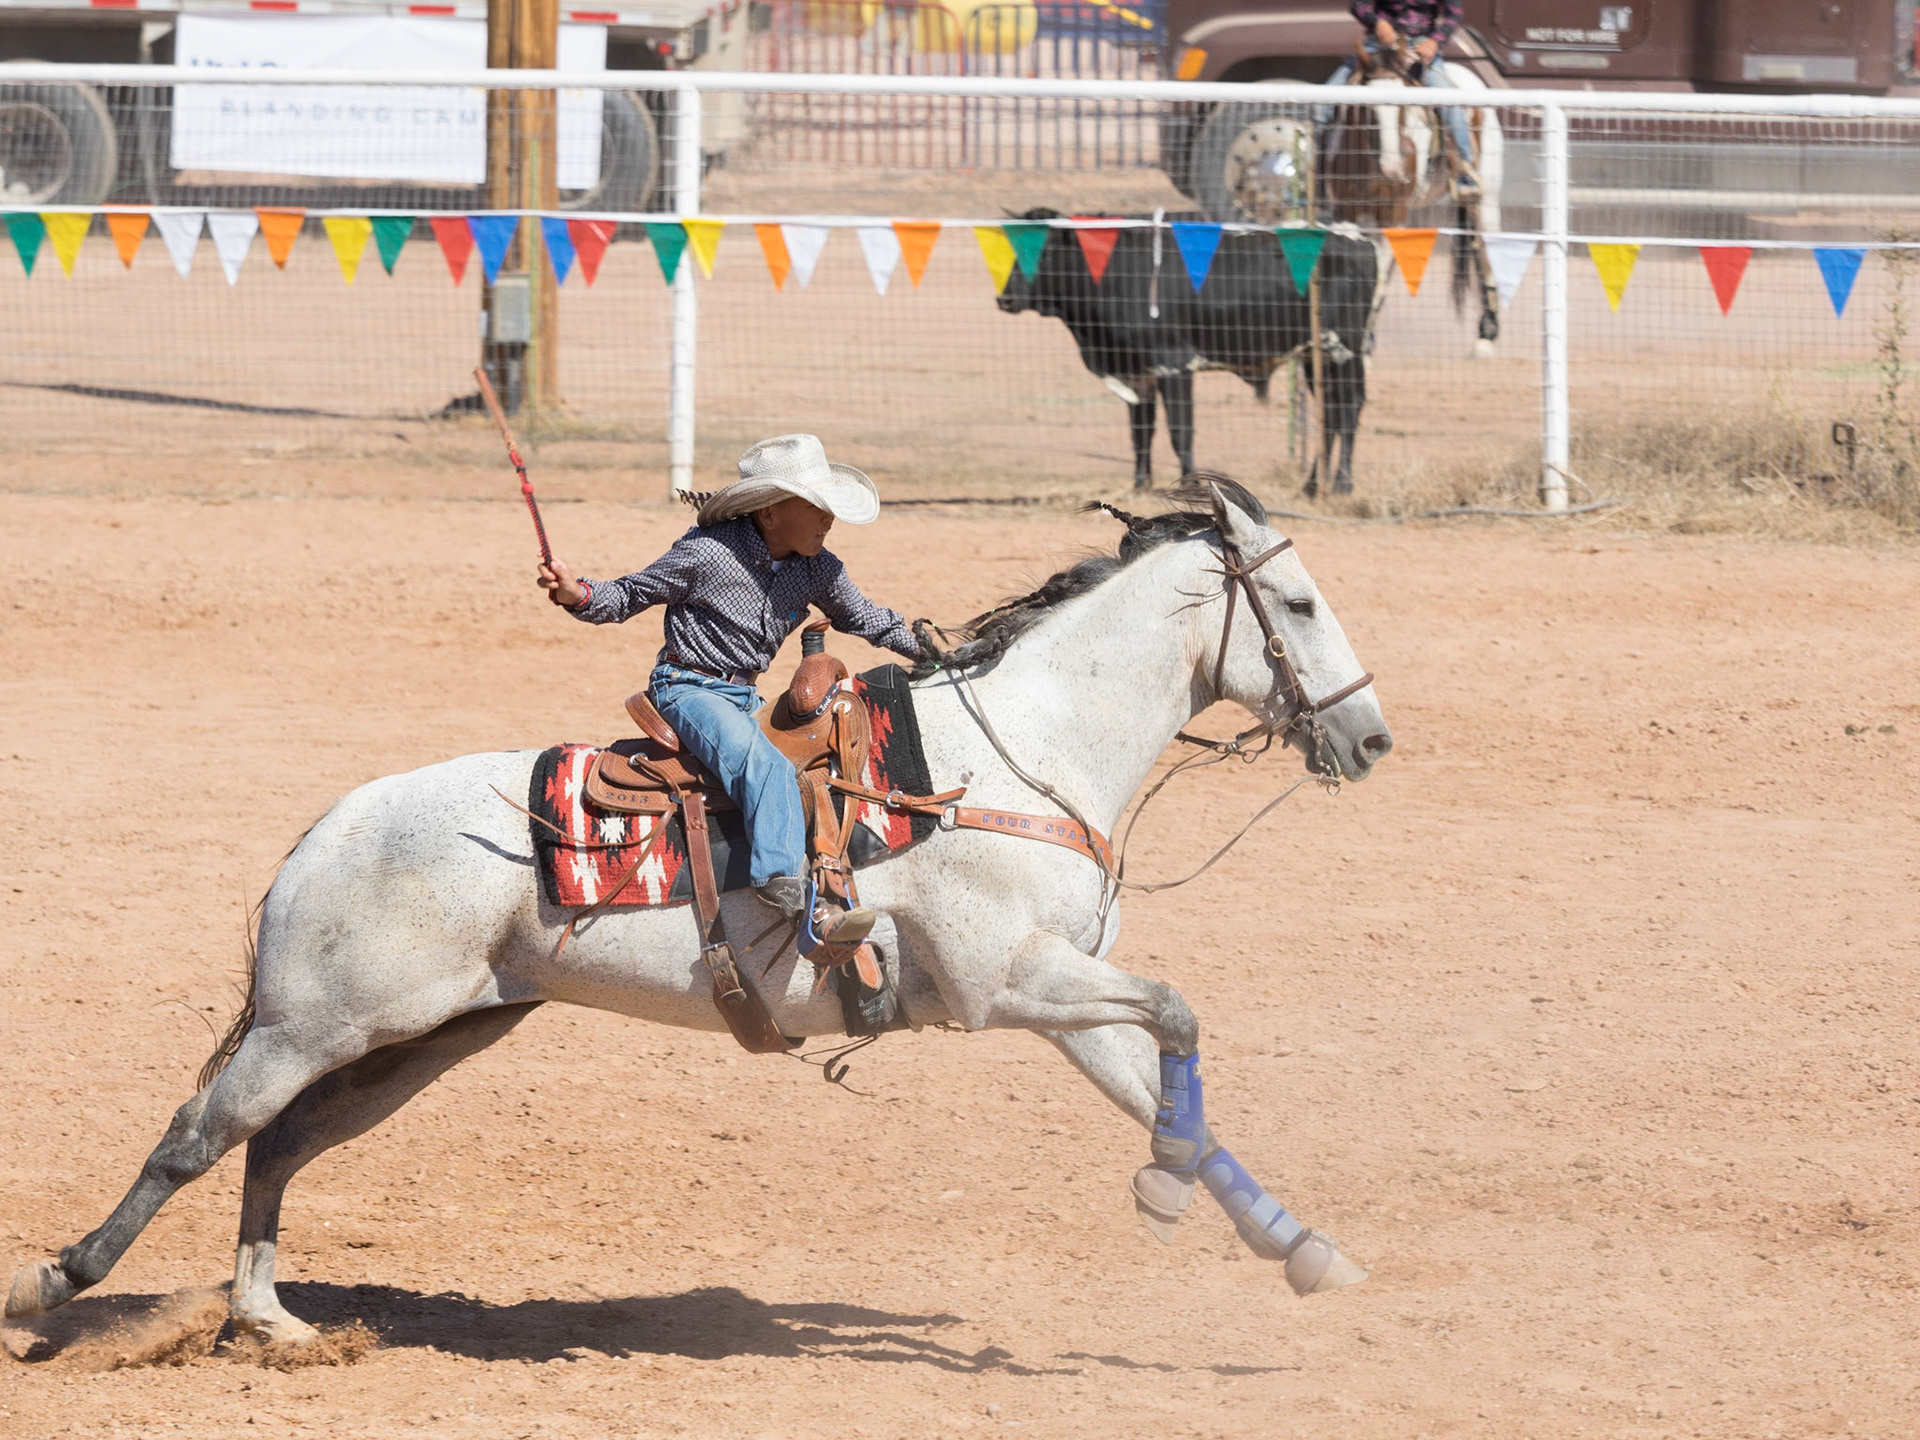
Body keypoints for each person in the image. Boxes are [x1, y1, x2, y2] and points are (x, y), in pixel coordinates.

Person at [537, 433, 920, 947]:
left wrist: (933, 647)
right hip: (686, 688)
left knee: (817, 768)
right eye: (816, 507)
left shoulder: (819, 568)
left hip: (745, 697)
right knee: (765, 768)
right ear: (769, 513)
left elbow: (868, 618)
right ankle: (786, 894)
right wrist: (576, 592)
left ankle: (824, 873)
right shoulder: (708, 554)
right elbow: (630, 593)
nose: (829, 519)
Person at [1325, 1, 1480, 195]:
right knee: (1324, 99)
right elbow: (1358, 5)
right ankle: (1317, 171)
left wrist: (1434, 42)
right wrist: (1378, 23)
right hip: (1377, 47)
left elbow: (1454, 13)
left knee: (1451, 104)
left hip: (1418, 48)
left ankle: (1464, 172)